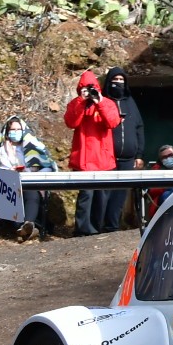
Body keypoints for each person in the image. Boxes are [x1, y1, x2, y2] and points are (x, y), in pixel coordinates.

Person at [0, 115, 58, 242]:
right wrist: (6, 171)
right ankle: (24, 229)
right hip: (5, 182)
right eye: (13, 130)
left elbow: (47, 166)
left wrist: (32, 171)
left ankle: (27, 225)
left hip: (28, 181)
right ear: (7, 131)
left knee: (33, 194)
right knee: (11, 195)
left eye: (18, 130)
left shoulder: (34, 147)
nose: (16, 132)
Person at [64, 69, 122, 236]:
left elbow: (113, 122)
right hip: (84, 160)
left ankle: (97, 229)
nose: (89, 92)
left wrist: (99, 102)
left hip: (103, 160)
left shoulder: (107, 103)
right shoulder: (76, 104)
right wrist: (81, 101)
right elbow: (71, 122)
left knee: (101, 197)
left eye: (92, 88)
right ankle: (82, 230)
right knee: (86, 196)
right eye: (86, 89)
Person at [100, 67, 145, 234]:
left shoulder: (130, 102)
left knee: (120, 195)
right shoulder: (103, 101)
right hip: (108, 158)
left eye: (121, 80)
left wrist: (139, 154)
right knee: (105, 193)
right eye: (115, 80)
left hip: (128, 158)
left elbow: (139, 127)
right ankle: (100, 225)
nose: (118, 83)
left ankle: (112, 226)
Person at [145, 144, 173, 219]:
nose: (168, 158)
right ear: (161, 160)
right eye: (164, 157)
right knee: (167, 195)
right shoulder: (156, 170)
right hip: (165, 198)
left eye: (170, 155)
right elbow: (152, 191)